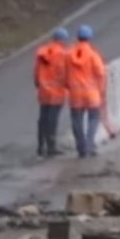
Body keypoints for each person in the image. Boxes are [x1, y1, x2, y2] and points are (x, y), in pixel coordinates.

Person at [67, 25, 107, 159]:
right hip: (91, 93)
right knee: (93, 119)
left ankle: (81, 148)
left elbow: (63, 73)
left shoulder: (68, 54)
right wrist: (100, 89)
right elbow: (100, 73)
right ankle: (90, 144)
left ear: (78, 37)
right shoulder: (92, 54)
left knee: (76, 121)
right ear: (89, 38)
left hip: (75, 94)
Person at [33, 28, 71, 157]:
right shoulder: (63, 54)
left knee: (43, 119)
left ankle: (40, 146)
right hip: (57, 92)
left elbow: (36, 73)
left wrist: (38, 84)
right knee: (52, 120)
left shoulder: (42, 52)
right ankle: (51, 146)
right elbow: (65, 73)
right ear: (62, 39)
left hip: (44, 91)